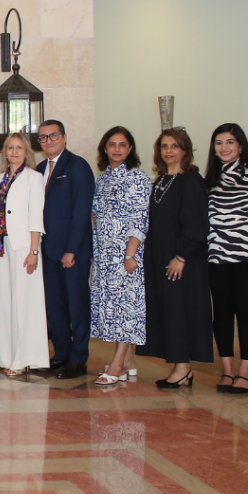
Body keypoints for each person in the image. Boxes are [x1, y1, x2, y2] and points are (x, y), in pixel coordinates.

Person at [138, 129, 212, 388]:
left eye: (175, 146)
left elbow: (196, 224)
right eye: (164, 146)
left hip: (182, 260)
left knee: (179, 311)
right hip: (159, 257)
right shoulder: (160, 181)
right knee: (167, 311)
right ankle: (181, 367)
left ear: (185, 150)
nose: (169, 151)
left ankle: (182, 368)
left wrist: (181, 256)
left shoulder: (191, 181)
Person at [204, 123, 248, 394]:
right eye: (219, 143)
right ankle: (228, 370)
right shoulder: (210, 179)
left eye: (230, 142)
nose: (224, 147)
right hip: (216, 258)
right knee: (222, 314)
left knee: (246, 312)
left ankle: (246, 371)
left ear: (241, 145)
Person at [0, 133, 47, 377]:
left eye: (19, 148)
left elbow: (36, 217)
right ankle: (6, 355)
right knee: (4, 301)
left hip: (23, 248)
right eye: (10, 147)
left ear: (26, 151)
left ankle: (25, 357)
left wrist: (33, 250)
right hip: (0, 246)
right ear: (5, 151)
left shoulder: (34, 178)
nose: (15, 152)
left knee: (24, 302)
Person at [34, 119, 94, 380]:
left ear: (65, 137)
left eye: (53, 135)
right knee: (54, 305)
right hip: (47, 250)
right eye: (44, 137)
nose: (49, 140)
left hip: (72, 252)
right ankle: (61, 354)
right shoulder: (38, 169)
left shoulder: (78, 166)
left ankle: (78, 358)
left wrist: (72, 250)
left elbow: (82, 212)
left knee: (77, 305)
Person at [89, 127, 150, 386]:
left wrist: (130, 253)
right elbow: (95, 217)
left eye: (122, 144)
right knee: (114, 309)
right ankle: (128, 361)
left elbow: (140, 218)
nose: (117, 149)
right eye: (112, 144)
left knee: (127, 309)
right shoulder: (102, 179)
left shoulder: (138, 178)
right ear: (105, 148)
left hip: (126, 254)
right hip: (104, 255)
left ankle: (117, 365)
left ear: (130, 149)